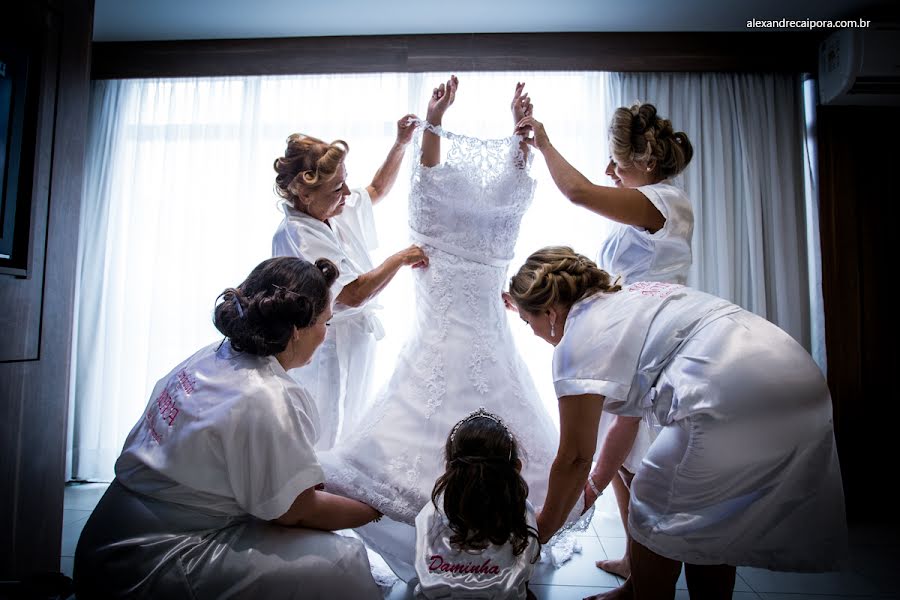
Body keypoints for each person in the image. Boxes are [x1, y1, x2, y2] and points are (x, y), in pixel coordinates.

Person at [319, 77, 588, 582]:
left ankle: (469, 540)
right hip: (451, 324)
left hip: (476, 324)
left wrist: (477, 127)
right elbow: (432, 170)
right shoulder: (448, 182)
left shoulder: (444, 188)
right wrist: (438, 121)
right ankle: (455, 541)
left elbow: (438, 175)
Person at [507, 246, 847, 600]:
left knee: (651, 506)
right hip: (798, 376)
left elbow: (575, 456)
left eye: (527, 322)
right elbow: (627, 420)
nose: (532, 333)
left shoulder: (577, 342)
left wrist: (540, 530)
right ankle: (638, 587)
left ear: (548, 312)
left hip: (732, 394)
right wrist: (592, 489)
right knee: (709, 518)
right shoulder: (631, 296)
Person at [74, 257, 382, 599]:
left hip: (105, 536)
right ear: (297, 330)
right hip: (151, 560)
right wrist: (375, 509)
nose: (326, 333)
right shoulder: (267, 396)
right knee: (340, 562)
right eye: (327, 321)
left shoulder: (213, 355)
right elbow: (296, 512)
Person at [515, 102, 694, 579]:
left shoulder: (664, 202)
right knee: (625, 461)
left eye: (617, 161)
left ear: (648, 161)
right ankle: (636, 565)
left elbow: (576, 191)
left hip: (655, 336)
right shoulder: (643, 208)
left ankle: (648, 568)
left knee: (640, 466)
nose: (609, 170)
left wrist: (544, 142)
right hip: (629, 334)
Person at [272, 117, 429, 450]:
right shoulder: (299, 235)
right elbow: (353, 294)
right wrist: (398, 259)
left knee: (354, 417)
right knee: (328, 426)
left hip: (355, 339)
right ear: (304, 193)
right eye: (336, 189)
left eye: (345, 182)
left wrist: (400, 143)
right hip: (326, 347)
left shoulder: (330, 209)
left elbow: (376, 190)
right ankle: (319, 491)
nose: (346, 194)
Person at [414, 408, 540, 600]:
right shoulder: (521, 511)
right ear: (517, 467)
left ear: (449, 468)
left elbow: (424, 561)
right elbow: (526, 567)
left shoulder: (432, 511)